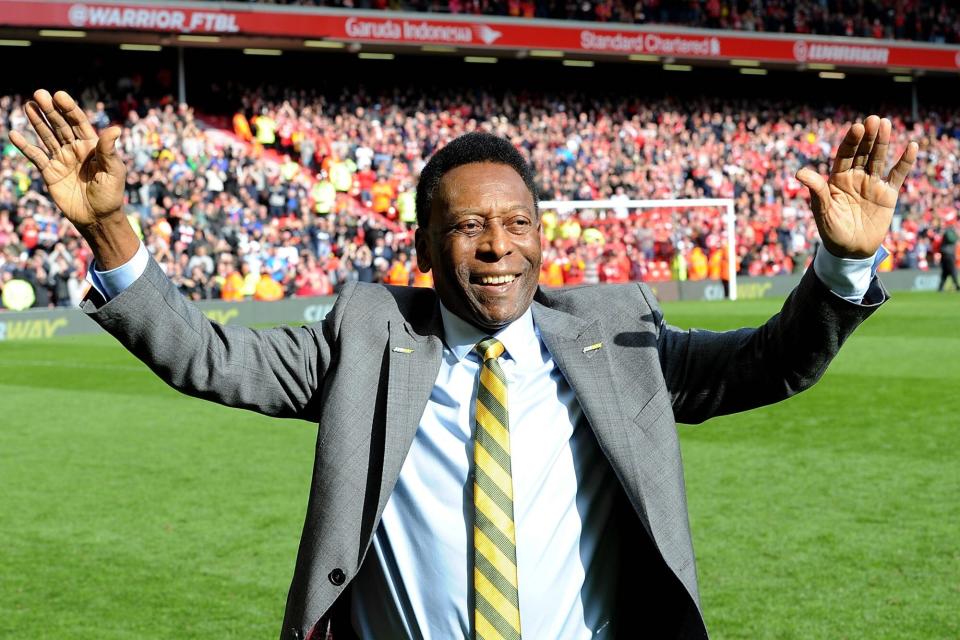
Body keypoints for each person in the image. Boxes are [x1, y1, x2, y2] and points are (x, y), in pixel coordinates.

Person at [12, 90, 917, 640]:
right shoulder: (366, 334)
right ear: (425, 245)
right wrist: (107, 231)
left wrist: (841, 265)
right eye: (469, 225)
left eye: (517, 222)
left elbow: (769, 364)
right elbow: (211, 356)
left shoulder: (616, 334)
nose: (497, 247)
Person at [937, 218, 958, 292]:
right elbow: (952, 239)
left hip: (947, 253)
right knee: (952, 270)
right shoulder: (949, 231)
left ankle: (940, 288)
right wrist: (957, 235)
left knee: (945, 272)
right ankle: (957, 286)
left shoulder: (949, 231)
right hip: (948, 254)